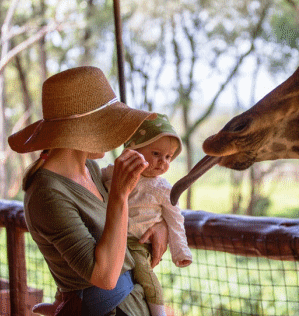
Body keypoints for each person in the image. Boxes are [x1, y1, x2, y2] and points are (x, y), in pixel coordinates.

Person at [8, 66, 169, 316]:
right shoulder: (47, 192)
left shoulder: (90, 168)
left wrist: (160, 225)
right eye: (108, 123)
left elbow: (113, 230)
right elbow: (104, 277)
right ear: (84, 127)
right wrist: (119, 195)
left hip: (132, 302)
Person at [102, 114, 192, 316]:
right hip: (114, 237)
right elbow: (98, 180)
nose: (163, 162)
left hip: (140, 242)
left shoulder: (162, 187)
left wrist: (181, 252)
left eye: (168, 157)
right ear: (133, 150)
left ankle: (158, 311)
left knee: (143, 271)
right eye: (157, 153)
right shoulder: (115, 171)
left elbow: (175, 220)